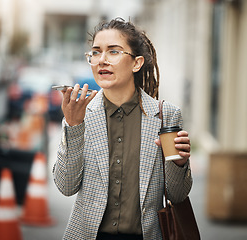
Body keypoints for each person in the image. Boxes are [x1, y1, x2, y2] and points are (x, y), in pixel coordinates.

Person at [53, 17, 192, 240]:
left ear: (136, 63)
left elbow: (177, 195)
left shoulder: (166, 115)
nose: (102, 60)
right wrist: (73, 126)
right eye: (96, 52)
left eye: (114, 52)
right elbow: (66, 186)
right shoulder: (80, 114)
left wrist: (180, 163)